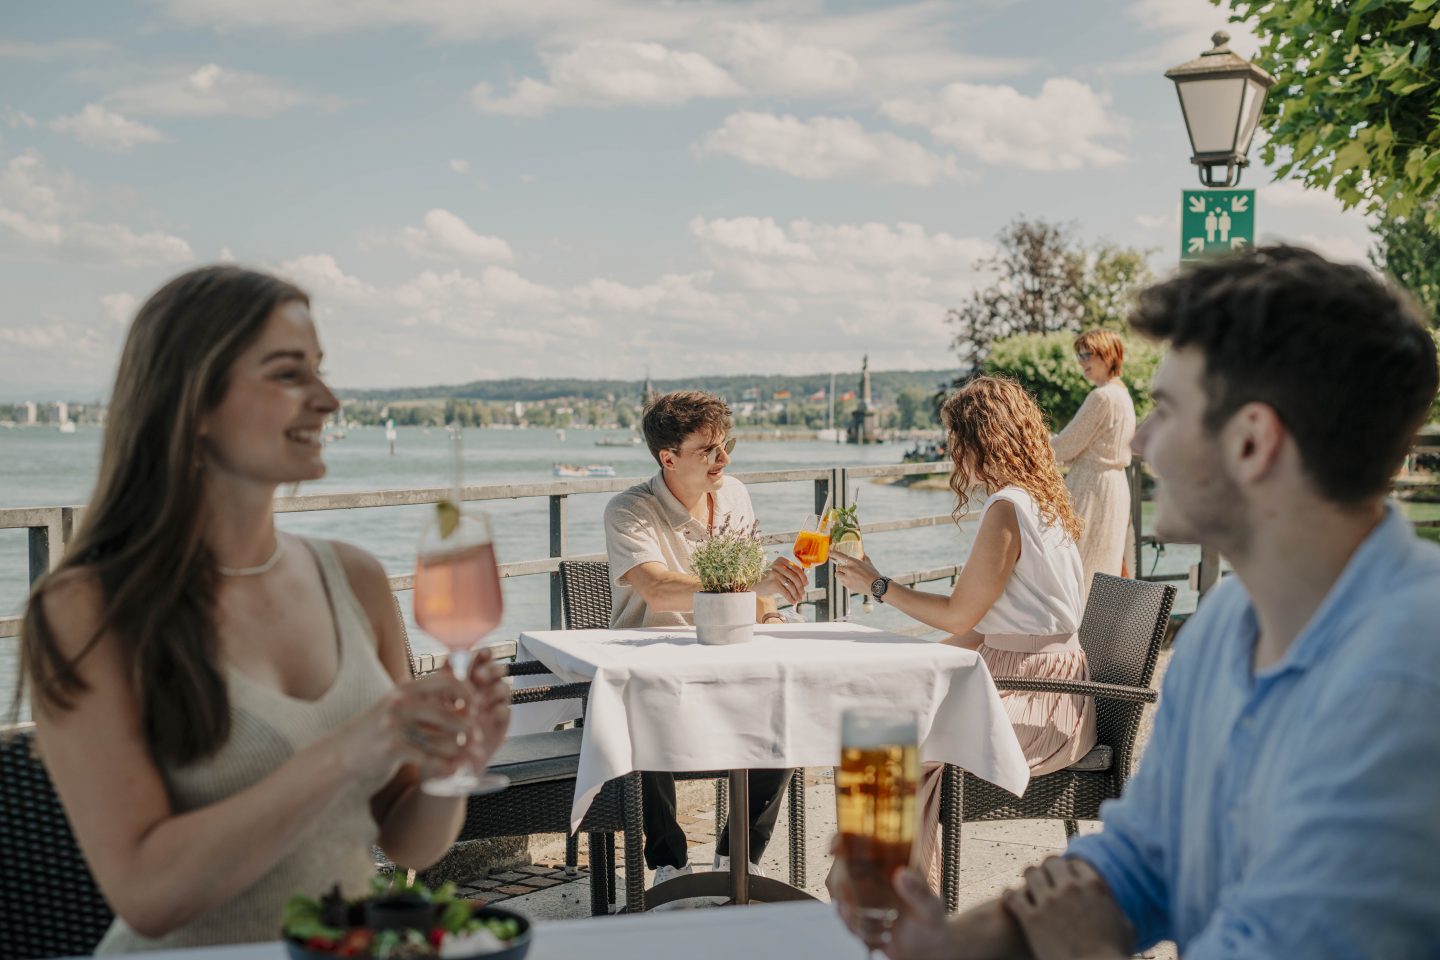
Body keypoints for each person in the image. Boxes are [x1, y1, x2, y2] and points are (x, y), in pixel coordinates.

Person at [828, 246, 1440, 959]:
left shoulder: (1408, 676)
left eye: (1166, 409)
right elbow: (1144, 861)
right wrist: (954, 943)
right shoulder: (1226, 629)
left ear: (1252, 441)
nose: (1140, 441)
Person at [13, 266, 512, 953]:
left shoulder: (356, 578)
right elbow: (147, 895)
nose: (329, 400)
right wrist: (350, 749)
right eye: (288, 374)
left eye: (320, 371)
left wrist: (446, 771)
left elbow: (405, 841)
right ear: (194, 404)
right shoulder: (86, 611)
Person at [832, 376, 1096, 891]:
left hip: (1037, 698)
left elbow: (960, 615)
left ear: (981, 440)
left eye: (956, 438)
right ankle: (879, 895)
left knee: (889, 749)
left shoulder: (1007, 510)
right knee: (885, 733)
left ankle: (889, 902)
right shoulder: (1041, 498)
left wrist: (877, 583)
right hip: (1043, 683)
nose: (952, 451)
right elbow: (994, 627)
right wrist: (919, 661)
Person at [603, 390, 807, 885]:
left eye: (725, 445)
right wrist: (745, 584)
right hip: (654, 666)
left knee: (790, 707)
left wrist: (774, 618)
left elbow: (758, 591)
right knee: (635, 714)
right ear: (667, 458)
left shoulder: (734, 493)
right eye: (709, 451)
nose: (724, 458)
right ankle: (668, 864)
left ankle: (739, 857)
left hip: (730, 662)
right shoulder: (629, 509)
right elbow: (654, 588)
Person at [1051, 329, 1137, 592]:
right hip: (1114, 487)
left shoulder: (1102, 397)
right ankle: (1095, 630)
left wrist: (1029, 443)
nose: (1081, 361)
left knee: (1080, 566)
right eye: (1079, 354)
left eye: (1087, 354)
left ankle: (1072, 632)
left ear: (1108, 355)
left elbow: (1065, 446)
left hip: (1093, 486)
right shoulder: (1122, 395)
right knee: (1103, 565)